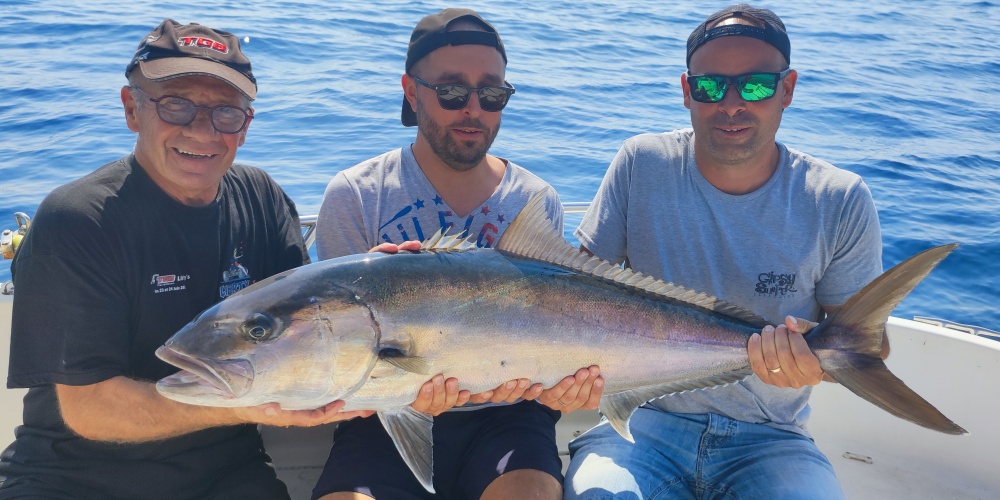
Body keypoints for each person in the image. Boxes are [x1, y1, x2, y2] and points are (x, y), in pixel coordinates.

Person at [0, 19, 370, 500]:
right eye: (177, 104)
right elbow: (89, 409)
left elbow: (307, 325)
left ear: (247, 125)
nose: (202, 129)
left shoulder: (261, 197)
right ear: (132, 108)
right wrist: (243, 409)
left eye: (225, 112)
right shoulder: (78, 220)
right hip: (72, 479)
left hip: (227, 475)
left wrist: (379, 284)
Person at [564, 4, 883, 499]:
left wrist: (819, 361)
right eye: (711, 86)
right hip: (643, 425)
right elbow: (570, 296)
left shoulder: (837, 198)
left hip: (771, 439)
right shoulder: (640, 164)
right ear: (687, 91)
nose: (731, 104)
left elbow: (869, 348)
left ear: (788, 90)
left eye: (755, 85)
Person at [313, 8, 602, 500]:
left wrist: (558, 389)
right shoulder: (356, 194)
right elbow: (338, 359)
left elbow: (550, 334)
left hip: (509, 413)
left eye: (492, 94)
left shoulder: (535, 199)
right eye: (451, 92)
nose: (473, 109)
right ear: (411, 91)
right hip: (381, 418)